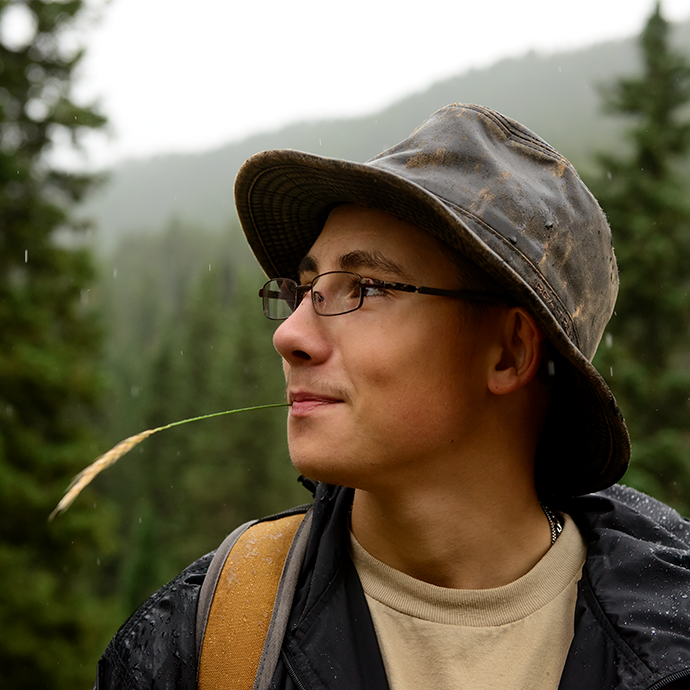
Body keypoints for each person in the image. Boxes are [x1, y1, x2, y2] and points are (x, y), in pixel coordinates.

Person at [94, 104, 690, 689]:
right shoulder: (210, 640)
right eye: (304, 290)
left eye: (367, 288)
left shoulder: (670, 634)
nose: (289, 335)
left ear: (509, 353)